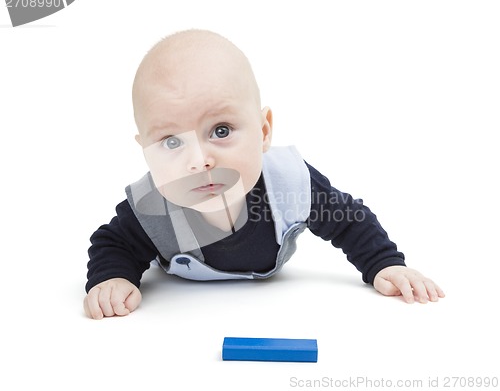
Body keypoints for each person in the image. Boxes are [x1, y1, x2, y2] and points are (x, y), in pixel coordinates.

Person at [84, 29, 445, 320]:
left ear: (264, 131)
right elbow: (112, 243)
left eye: (221, 130)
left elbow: (350, 220)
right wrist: (113, 277)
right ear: (145, 149)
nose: (199, 161)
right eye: (171, 142)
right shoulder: (152, 207)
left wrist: (383, 264)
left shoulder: (289, 184)